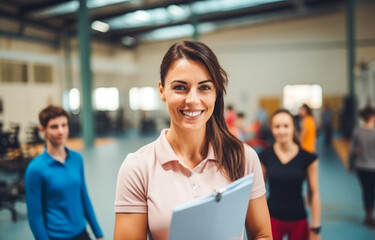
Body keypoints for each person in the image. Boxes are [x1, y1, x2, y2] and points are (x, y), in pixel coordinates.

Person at [114, 41, 272, 240]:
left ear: (216, 93)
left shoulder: (243, 157)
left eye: (204, 87)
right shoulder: (137, 168)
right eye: (180, 87)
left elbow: (262, 234)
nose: (192, 100)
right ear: (162, 90)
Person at [25, 105, 104, 240]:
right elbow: (35, 218)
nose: (61, 131)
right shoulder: (35, 169)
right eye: (54, 126)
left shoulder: (76, 159)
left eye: (64, 125)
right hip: (57, 237)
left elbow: (84, 198)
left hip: (82, 233)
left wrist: (98, 234)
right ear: (42, 130)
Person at [259, 109, 321, 240]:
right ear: (272, 129)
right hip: (272, 219)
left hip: (298, 219)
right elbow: (259, 192)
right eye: (277, 126)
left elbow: (314, 193)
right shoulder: (265, 156)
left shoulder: (308, 158)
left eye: (286, 126)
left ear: (294, 128)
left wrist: (315, 228)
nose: (281, 131)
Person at [349, 105, 375, 227]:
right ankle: (370, 214)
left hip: (361, 167)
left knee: (366, 190)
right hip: (373, 167)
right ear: (372, 117)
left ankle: (368, 213)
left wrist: (350, 165)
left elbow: (352, 150)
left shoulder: (357, 131)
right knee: (372, 191)